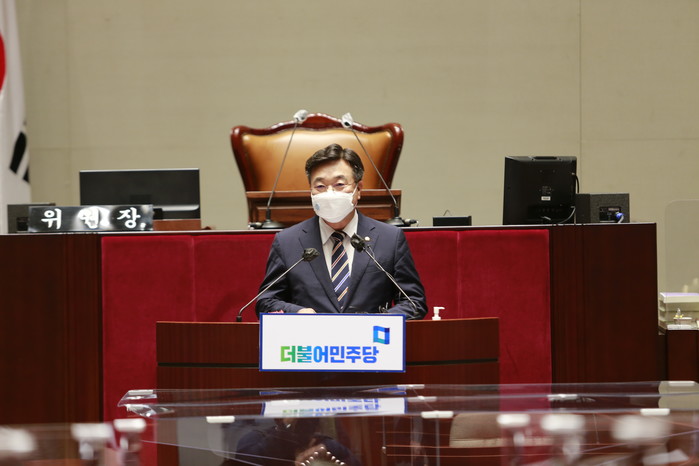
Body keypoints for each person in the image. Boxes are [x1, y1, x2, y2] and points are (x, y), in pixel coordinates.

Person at [255, 143, 427, 319]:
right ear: (310, 192)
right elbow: (266, 301)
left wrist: (375, 322)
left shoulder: (389, 238)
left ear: (358, 190)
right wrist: (297, 312)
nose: (330, 193)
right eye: (320, 186)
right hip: (311, 336)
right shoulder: (287, 242)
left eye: (339, 184)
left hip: (371, 336)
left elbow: (413, 302)